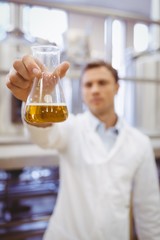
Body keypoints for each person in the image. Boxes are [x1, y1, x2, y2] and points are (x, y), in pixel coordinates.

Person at [7, 56, 160, 240]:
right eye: (88, 85)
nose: (95, 90)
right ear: (82, 91)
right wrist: (36, 100)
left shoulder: (140, 143)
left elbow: (148, 209)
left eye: (102, 83)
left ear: (117, 87)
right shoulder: (71, 126)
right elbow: (44, 136)